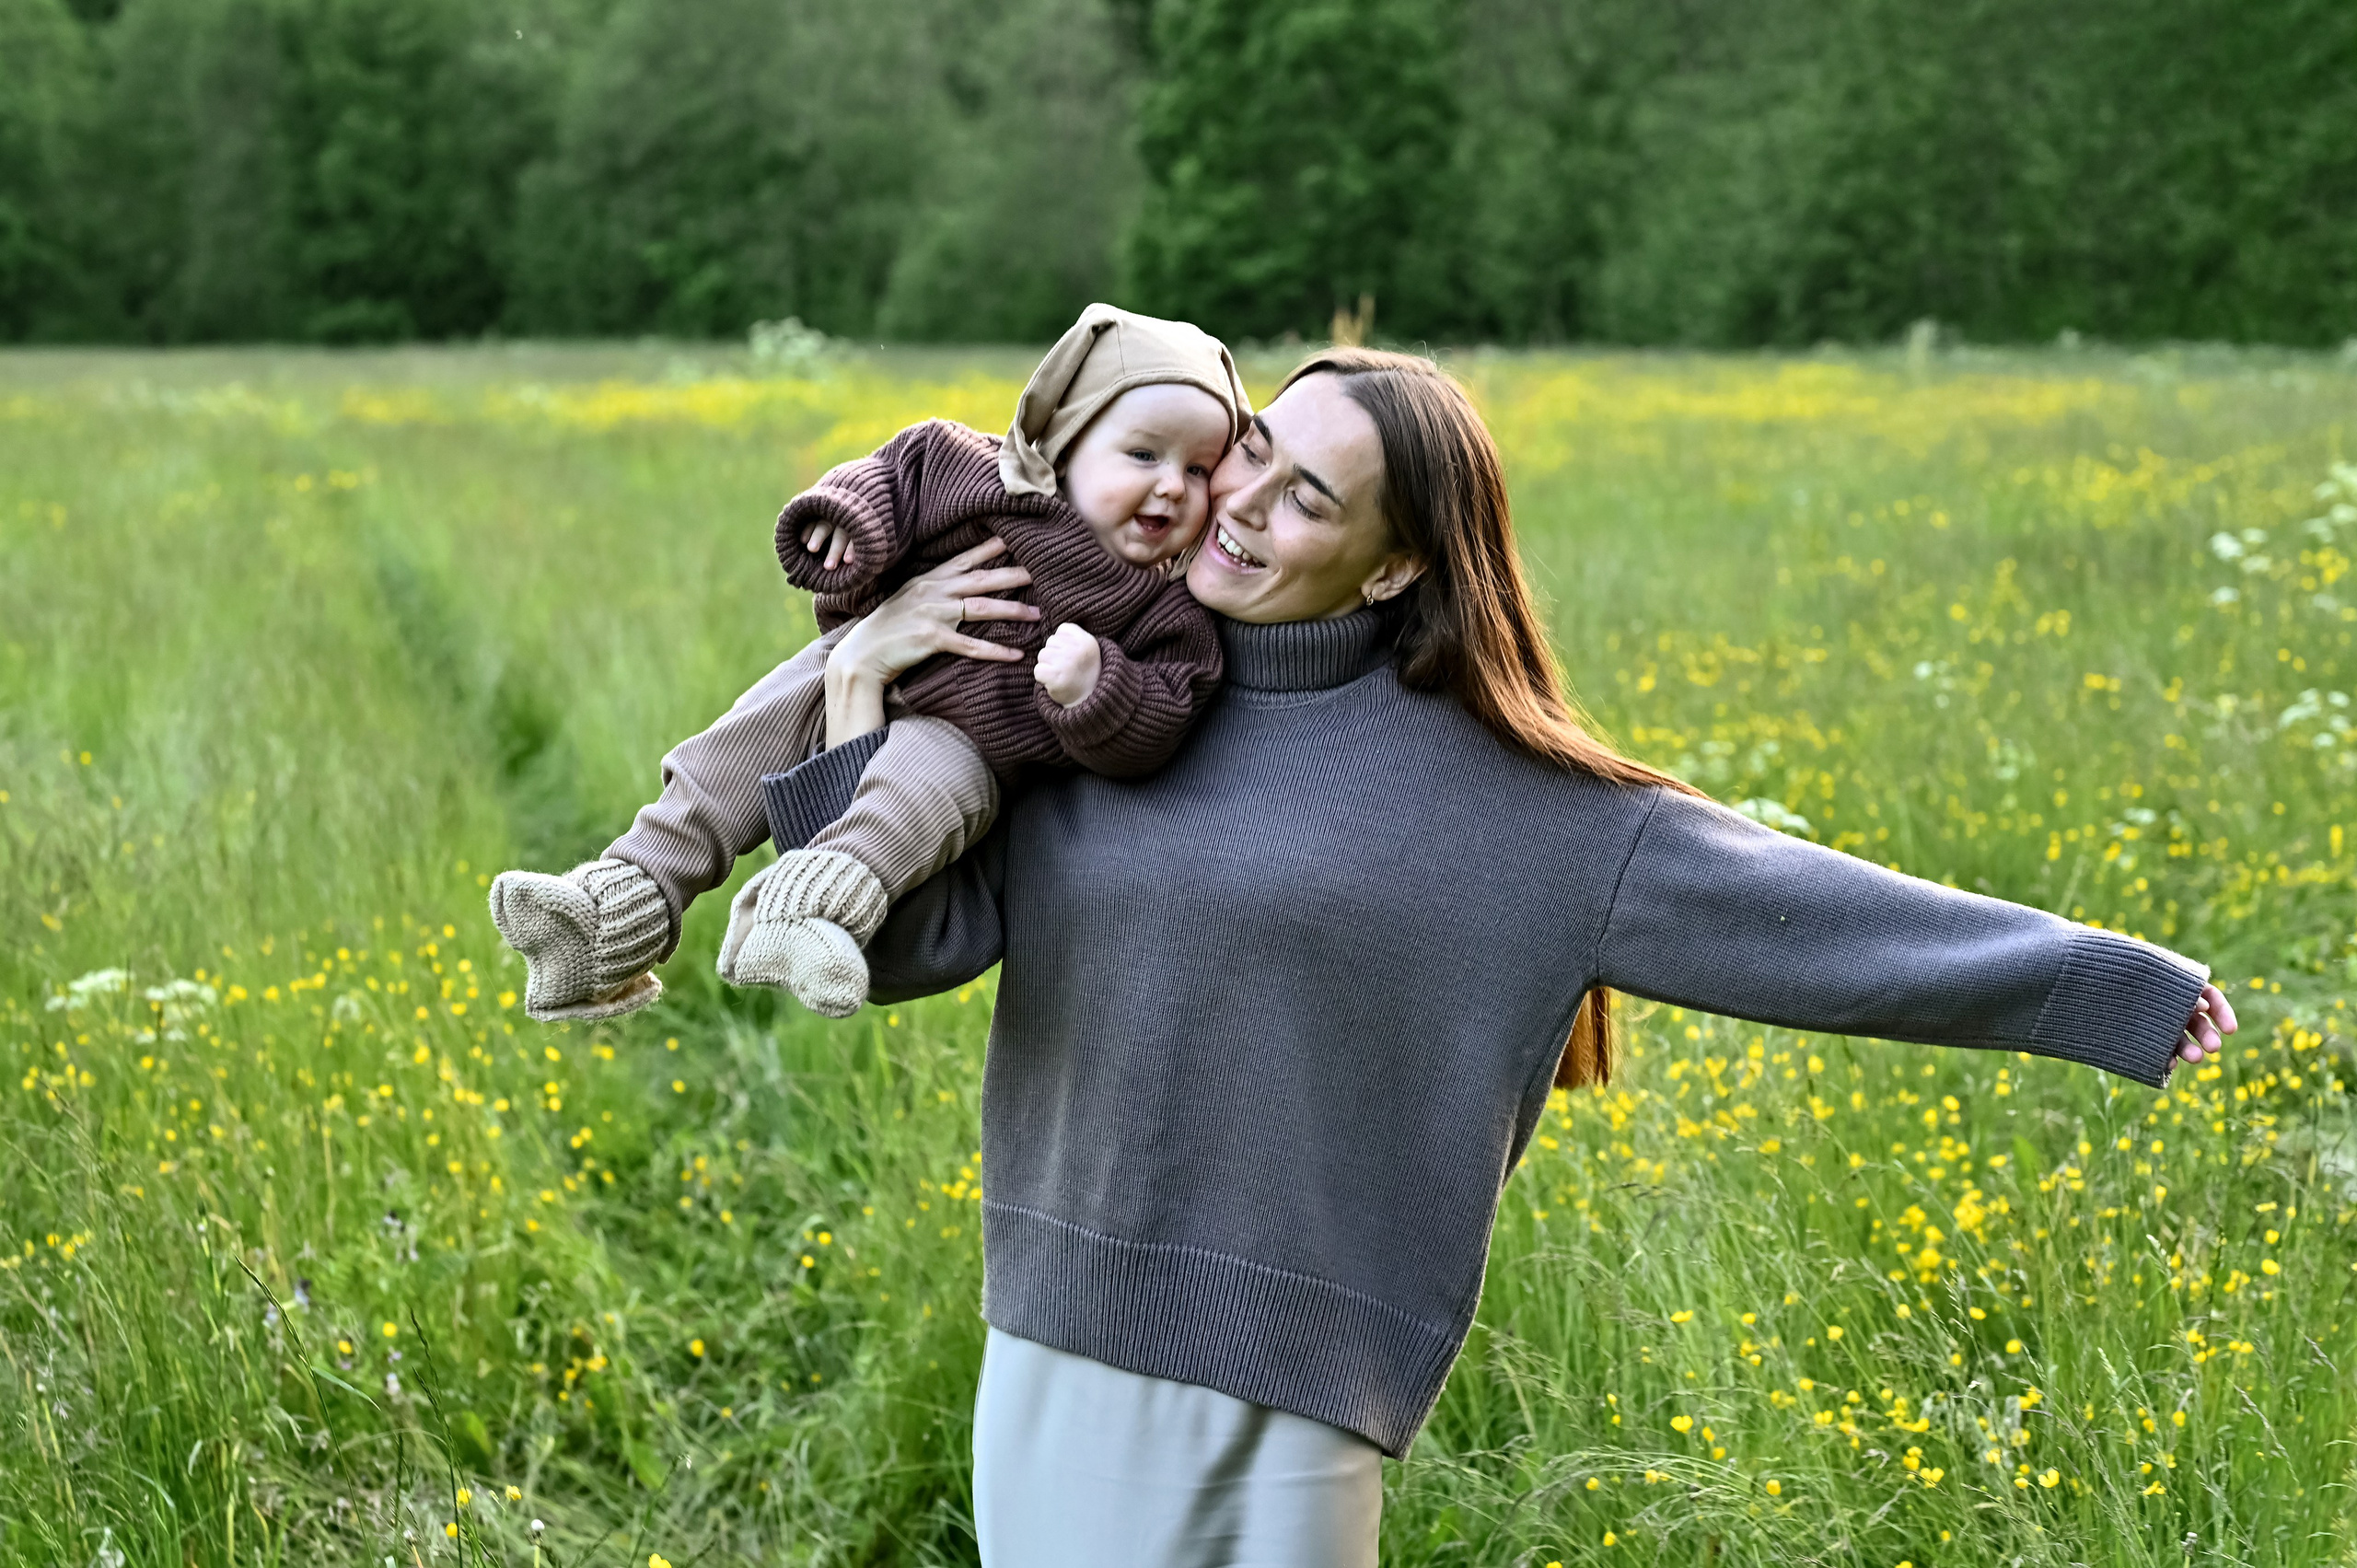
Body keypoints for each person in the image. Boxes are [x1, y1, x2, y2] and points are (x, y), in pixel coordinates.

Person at [763, 346, 2238, 1566]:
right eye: (1253, 449)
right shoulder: (1091, 694)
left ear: (1397, 560)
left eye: (1307, 496)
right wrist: (854, 682)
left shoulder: (1507, 800)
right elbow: (907, 947)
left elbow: (1809, 913)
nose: (1241, 505)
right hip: (1054, 1351)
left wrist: (2100, 982)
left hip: (1294, 1396)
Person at [485, 305, 1247, 1020]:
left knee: (919, 797)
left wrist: (1097, 688)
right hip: (839, 664)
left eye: (1201, 468)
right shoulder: (969, 467)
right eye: (1143, 453)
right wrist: (843, 527)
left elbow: (1162, 715)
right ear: (1066, 437)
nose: (1172, 485)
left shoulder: (1164, 610)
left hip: (966, 740)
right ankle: (623, 900)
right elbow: (885, 478)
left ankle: (809, 907)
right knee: (730, 752)